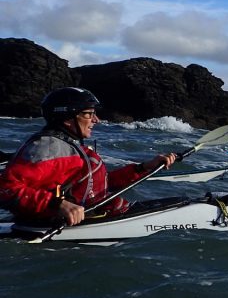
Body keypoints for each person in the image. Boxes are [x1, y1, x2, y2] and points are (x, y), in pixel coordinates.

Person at [0, 87, 177, 227]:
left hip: (101, 214)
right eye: (88, 114)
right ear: (68, 118)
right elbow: (5, 189)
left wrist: (143, 168)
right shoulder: (48, 148)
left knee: (182, 202)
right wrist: (57, 205)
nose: (96, 120)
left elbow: (98, 184)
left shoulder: (68, 145)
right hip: (74, 225)